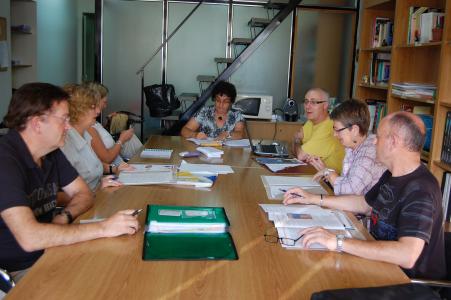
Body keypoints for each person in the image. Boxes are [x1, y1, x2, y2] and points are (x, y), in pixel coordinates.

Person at [0, 83, 139, 288]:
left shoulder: (50, 151)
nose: (68, 126)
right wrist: (102, 228)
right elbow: (30, 238)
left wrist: (63, 218)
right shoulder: (5, 161)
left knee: (121, 271)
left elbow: (84, 194)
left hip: (51, 249)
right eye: (64, 119)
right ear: (38, 123)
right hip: (18, 269)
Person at [284, 112, 445, 280]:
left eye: (379, 136)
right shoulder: (392, 175)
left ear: (393, 142)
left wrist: (338, 242)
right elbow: (364, 204)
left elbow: (407, 255)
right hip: (380, 265)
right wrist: (314, 199)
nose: (374, 141)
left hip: (408, 283)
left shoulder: (421, 190)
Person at [60, 84, 131, 191]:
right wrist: (95, 189)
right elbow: (64, 193)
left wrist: (115, 169)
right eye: (92, 107)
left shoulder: (86, 134)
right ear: (77, 110)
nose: (98, 111)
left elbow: (93, 166)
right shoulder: (65, 142)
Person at [310, 99, 386, 195]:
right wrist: (326, 170)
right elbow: (348, 181)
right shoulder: (353, 147)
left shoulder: (369, 152)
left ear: (354, 130)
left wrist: (328, 173)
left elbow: (350, 191)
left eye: (338, 130)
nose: (334, 134)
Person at [85, 82, 143, 165]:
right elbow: (107, 159)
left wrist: (108, 122)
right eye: (104, 102)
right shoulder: (88, 127)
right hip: (116, 168)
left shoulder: (93, 123)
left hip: (119, 165)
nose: (105, 106)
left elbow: (100, 138)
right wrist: (122, 140)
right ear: (95, 101)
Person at [293, 88, 345, 173]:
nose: (307, 106)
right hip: (313, 172)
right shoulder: (311, 121)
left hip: (330, 182)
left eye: (313, 102)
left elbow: (300, 155)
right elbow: (296, 152)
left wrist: (297, 140)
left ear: (325, 105)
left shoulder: (328, 126)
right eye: (306, 101)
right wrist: (297, 141)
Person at [181, 81, 245, 140]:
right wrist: (195, 134)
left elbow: (240, 134)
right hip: (206, 151)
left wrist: (228, 135)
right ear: (214, 99)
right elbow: (184, 130)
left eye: (226, 102)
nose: (221, 105)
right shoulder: (204, 112)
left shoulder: (236, 114)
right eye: (218, 100)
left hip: (228, 151)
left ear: (231, 102)